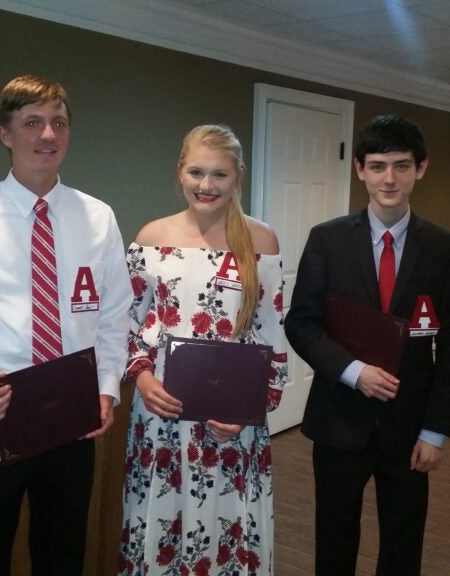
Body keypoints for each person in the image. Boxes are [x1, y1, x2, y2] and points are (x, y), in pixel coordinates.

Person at [0, 75, 132, 576]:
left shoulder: (98, 217)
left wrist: (106, 389)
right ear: (5, 133)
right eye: (32, 123)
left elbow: (113, 316)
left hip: (72, 413)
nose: (48, 135)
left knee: (63, 550)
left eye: (58, 123)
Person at [285, 114, 450, 575]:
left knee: (404, 540)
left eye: (402, 166)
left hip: (410, 426)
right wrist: (353, 371)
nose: (390, 178)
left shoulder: (445, 248)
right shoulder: (327, 240)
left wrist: (435, 430)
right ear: (360, 169)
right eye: (379, 165)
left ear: (420, 169)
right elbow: (302, 324)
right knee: (335, 535)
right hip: (339, 417)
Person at [117, 124, 288, 576]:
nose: (206, 185)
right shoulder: (152, 238)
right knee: (162, 530)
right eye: (196, 172)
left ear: (238, 177)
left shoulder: (261, 241)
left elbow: (271, 336)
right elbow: (126, 324)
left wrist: (250, 409)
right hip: (162, 418)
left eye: (220, 175)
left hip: (233, 423)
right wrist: (143, 376)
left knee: (228, 527)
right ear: (179, 171)